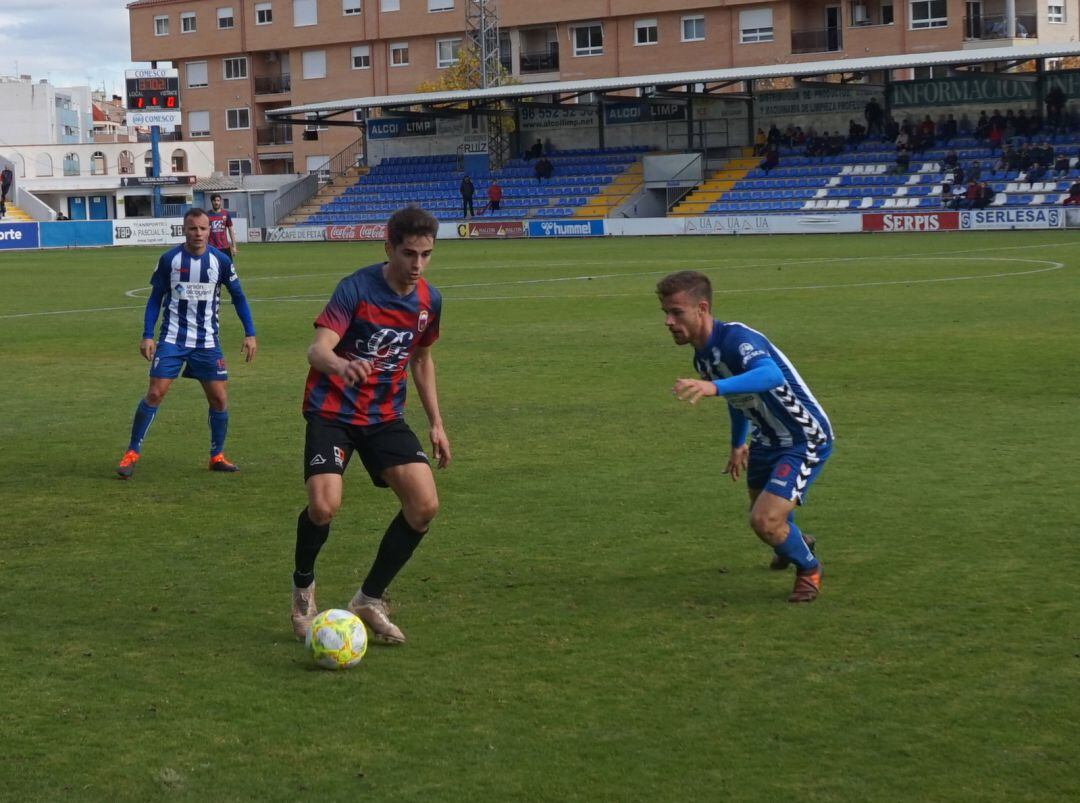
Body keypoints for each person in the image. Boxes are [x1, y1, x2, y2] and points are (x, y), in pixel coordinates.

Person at [290, 207, 451, 643]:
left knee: (424, 505)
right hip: (333, 411)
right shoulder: (356, 289)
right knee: (323, 506)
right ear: (388, 248)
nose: (417, 264)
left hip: (383, 417)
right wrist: (342, 367)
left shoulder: (429, 301)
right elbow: (317, 350)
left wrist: (436, 423)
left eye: (426, 254)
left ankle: (369, 598)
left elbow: (421, 359)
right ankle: (303, 588)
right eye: (408, 253)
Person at [657, 271, 833, 603]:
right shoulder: (703, 356)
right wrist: (738, 442)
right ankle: (796, 542)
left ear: (702, 308)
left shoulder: (737, 340)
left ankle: (809, 569)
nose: (668, 321)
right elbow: (740, 400)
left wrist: (713, 387)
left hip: (802, 436)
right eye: (665, 312)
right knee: (766, 516)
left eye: (676, 312)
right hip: (766, 439)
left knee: (764, 520)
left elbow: (769, 375)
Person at [115, 208, 257, 479]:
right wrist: (147, 334)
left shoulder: (220, 261)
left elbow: (238, 296)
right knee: (155, 393)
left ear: (209, 230)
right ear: (184, 229)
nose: (199, 233)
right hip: (172, 339)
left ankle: (217, 456)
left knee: (219, 398)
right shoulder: (170, 259)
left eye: (203, 228)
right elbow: (155, 298)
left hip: (206, 341)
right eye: (193, 228)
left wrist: (250, 333)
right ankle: (131, 453)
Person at [207, 193, 237, 260]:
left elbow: (231, 230)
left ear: (220, 201)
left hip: (225, 247)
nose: (216, 202)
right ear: (211, 202)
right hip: (212, 248)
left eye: (218, 200)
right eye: (214, 201)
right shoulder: (207, 215)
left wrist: (234, 246)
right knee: (213, 269)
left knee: (228, 269)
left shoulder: (225, 214)